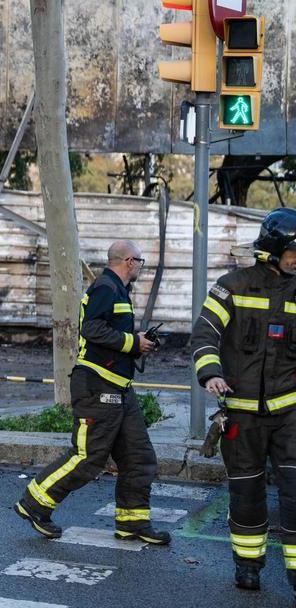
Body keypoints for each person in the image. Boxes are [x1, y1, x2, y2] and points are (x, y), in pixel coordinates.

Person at [15, 240, 170, 545]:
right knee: (89, 457)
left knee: (138, 457)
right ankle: (34, 503)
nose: (141, 266)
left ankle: (132, 522)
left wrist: (137, 341)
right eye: (140, 261)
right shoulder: (105, 288)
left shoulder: (118, 290)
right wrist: (133, 342)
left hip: (120, 388)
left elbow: (110, 334)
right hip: (98, 387)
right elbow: (92, 329)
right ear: (129, 261)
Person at [191, 207, 296, 593]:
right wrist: (211, 373)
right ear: (273, 250)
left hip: (291, 414)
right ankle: (248, 565)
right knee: (247, 493)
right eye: (293, 252)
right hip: (242, 414)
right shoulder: (232, 286)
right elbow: (204, 332)